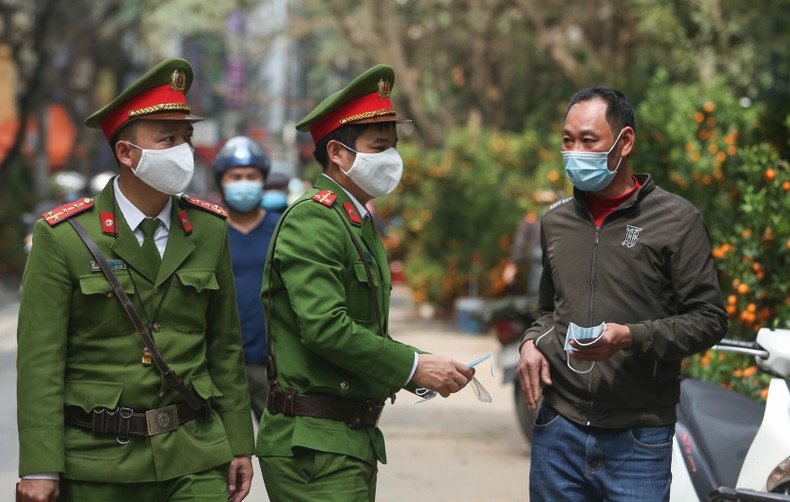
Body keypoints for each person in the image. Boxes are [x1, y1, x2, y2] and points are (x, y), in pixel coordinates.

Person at [16, 57, 254, 502]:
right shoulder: (64, 236)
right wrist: (39, 465)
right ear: (126, 153)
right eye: (168, 138)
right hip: (99, 460)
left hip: (194, 455)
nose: (183, 149)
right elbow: (40, 362)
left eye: (187, 137)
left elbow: (224, 345)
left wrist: (239, 440)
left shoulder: (209, 229)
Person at [256, 64, 474, 501]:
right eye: (379, 147)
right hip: (314, 443)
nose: (391, 158)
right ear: (337, 153)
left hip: (342, 437)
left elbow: (366, 332)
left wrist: (425, 368)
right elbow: (325, 327)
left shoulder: (354, 220)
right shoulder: (314, 220)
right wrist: (413, 365)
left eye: (392, 146)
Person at [516, 86, 727, 501]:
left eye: (588, 140)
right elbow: (548, 310)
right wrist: (529, 342)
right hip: (558, 429)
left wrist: (630, 336)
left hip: (639, 439)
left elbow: (708, 318)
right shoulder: (556, 221)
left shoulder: (677, 221)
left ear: (624, 141)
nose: (575, 151)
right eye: (567, 140)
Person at [212, 135, 281, 419]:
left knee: (279, 449)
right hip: (220, 363)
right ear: (221, 182)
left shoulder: (282, 229)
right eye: (235, 176)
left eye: (251, 176)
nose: (243, 182)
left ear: (263, 180)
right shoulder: (209, 230)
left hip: (272, 363)